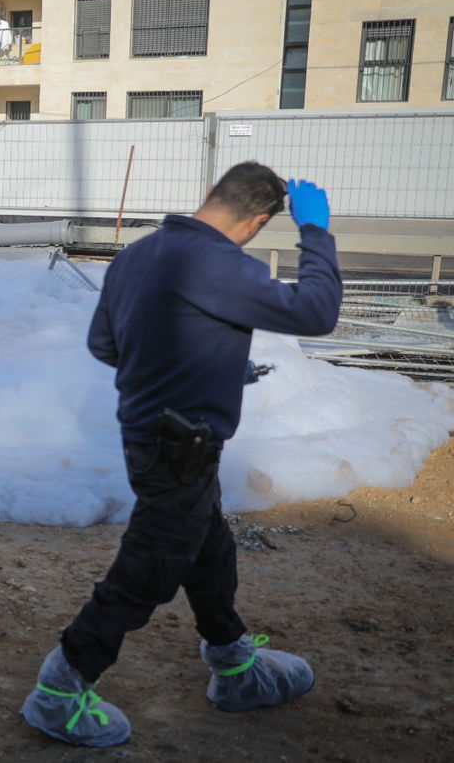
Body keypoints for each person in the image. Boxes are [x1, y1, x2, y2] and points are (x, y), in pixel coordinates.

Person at [21, 162, 342, 747]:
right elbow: (317, 312)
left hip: (152, 435)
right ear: (258, 221)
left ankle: (234, 663)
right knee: (152, 565)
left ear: (211, 195)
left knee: (209, 548)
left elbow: (106, 344)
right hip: (181, 445)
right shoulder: (223, 264)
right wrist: (316, 235)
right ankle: (60, 689)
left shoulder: (137, 256)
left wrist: (209, 364)